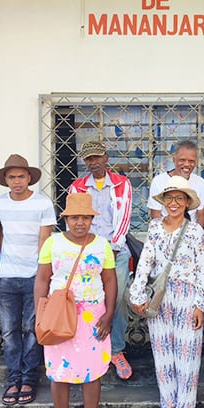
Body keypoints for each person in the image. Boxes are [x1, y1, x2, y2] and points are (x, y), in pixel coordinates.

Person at [128, 176, 204, 408]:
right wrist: (138, 296)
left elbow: (202, 271)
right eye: (170, 198)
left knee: (187, 361)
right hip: (160, 299)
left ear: (187, 203)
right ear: (163, 202)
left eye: (180, 198)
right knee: (164, 360)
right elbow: (145, 264)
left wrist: (199, 304)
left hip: (187, 298)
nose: (174, 203)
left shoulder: (196, 231)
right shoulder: (154, 228)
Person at [34, 192, 117, 408]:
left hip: (93, 318)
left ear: (92, 219)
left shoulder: (101, 245)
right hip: (59, 316)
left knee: (92, 373)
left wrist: (109, 314)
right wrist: (41, 312)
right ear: (66, 218)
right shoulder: (52, 243)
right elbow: (42, 279)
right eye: (74, 217)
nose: (80, 222)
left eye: (85, 217)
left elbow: (110, 280)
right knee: (59, 373)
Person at [0, 154, 57, 406]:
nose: (16, 181)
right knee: (9, 332)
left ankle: (29, 378)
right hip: (7, 276)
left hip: (33, 275)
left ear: (29, 178)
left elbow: (45, 242)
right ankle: (13, 378)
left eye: (21, 176)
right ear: (5, 180)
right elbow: (0, 236)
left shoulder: (42, 204)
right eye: (11, 177)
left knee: (32, 329)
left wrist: (43, 276)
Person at [69, 141, 134, 380]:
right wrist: (88, 250)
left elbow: (124, 218)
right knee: (85, 301)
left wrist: (112, 248)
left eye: (97, 157)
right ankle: (90, 348)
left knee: (116, 301)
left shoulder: (121, 184)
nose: (93, 162)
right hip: (86, 252)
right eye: (88, 159)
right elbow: (76, 221)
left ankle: (116, 350)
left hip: (115, 251)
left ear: (106, 158)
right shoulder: (77, 187)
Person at [147, 139, 204, 227]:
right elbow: (156, 215)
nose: (187, 164)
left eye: (191, 161)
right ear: (174, 159)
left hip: (192, 232)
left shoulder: (201, 183)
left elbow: (201, 216)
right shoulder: (159, 181)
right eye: (182, 160)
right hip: (165, 231)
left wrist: (195, 235)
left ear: (196, 161)